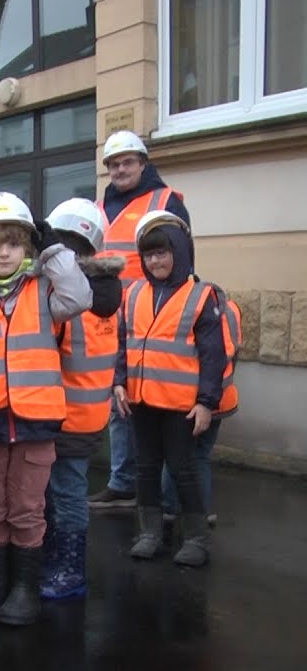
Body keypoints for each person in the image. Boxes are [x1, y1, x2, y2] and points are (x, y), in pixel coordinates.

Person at [0, 192, 91, 626]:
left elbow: (80, 296)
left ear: (28, 248)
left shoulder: (46, 291)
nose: (4, 252)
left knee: (27, 509)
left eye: (14, 243)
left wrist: (55, 251)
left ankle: (24, 589)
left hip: (35, 424)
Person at [117, 211, 228, 567]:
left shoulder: (201, 296)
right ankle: (150, 533)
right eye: (149, 254)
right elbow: (122, 343)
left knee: (184, 470)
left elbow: (214, 356)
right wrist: (119, 383)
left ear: (180, 251)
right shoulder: (133, 293)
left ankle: (196, 538)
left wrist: (207, 403)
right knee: (146, 469)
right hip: (141, 401)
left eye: (162, 252)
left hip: (181, 406)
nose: (155, 260)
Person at [89, 130, 190, 510]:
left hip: (151, 315)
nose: (120, 169)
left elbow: (181, 255)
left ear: (143, 164)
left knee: (157, 404)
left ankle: (171, 492)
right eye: (113, 164)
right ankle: (123, 480)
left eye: (127, 161)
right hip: (107, 319)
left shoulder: (164, 200)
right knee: (120, 400)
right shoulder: (98, 208)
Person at [40, 198, 124, 600]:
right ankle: (60, 560)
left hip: (62, 413)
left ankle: (69, 569)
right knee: (64, 490)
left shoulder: (68, 298)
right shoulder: (108, 292)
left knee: (65, 494)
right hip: (88, 414)